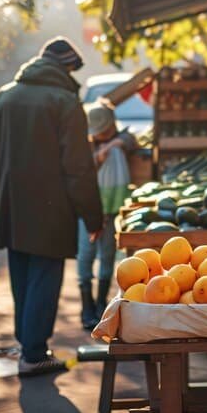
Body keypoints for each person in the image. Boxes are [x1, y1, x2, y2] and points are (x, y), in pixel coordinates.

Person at [0, 36, 103, 377]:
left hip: (13, 205)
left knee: (22, 276)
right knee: (45, 278)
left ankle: (29, 347)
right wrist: (93, 216)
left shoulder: (3, 96)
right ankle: (33, 354)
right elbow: (78, 168)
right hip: (52, 208)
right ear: (66, 68)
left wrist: (8, 185)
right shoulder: (64, 102)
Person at [78, 102, 137, 330]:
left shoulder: (121, 141)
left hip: (113, 209)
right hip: (88, 206)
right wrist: (97, 158)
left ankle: (101, 303)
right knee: (86, 254)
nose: (101, 135)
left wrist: (112, 144)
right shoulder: (83, 147)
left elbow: (130, 140)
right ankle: (86, 306)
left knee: (107, 256)